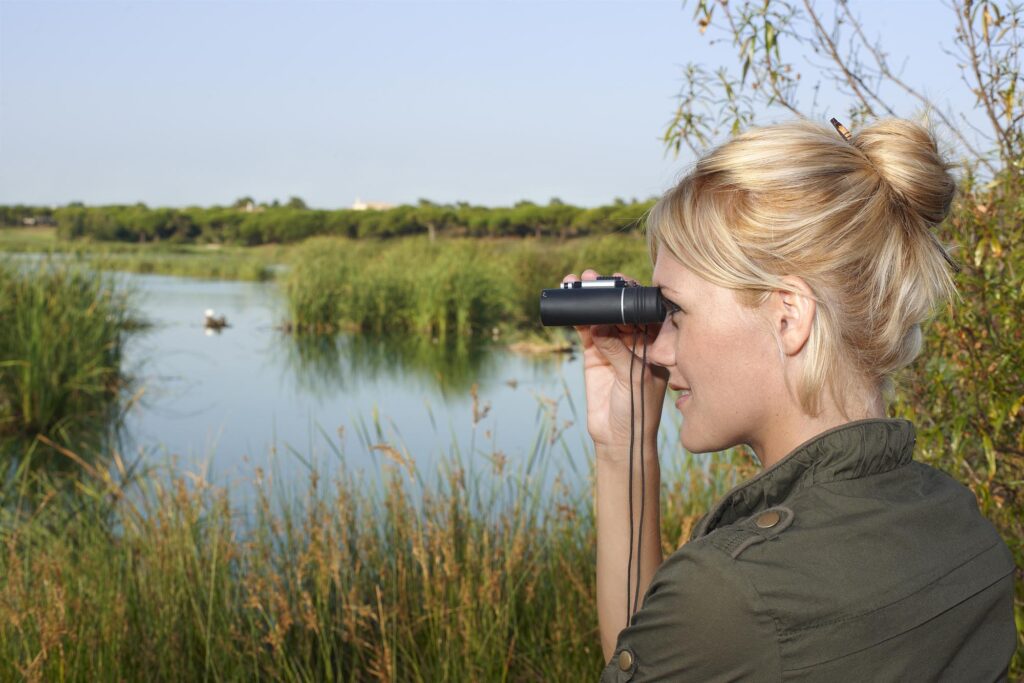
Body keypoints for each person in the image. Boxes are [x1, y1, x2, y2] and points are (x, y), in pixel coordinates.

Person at [564, 119, 1017, 681]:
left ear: (789, 316)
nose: (657, 350)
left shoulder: (734, 591)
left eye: (675, 312)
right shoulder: (956, 519)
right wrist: (624, 447)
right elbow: (659, 659)